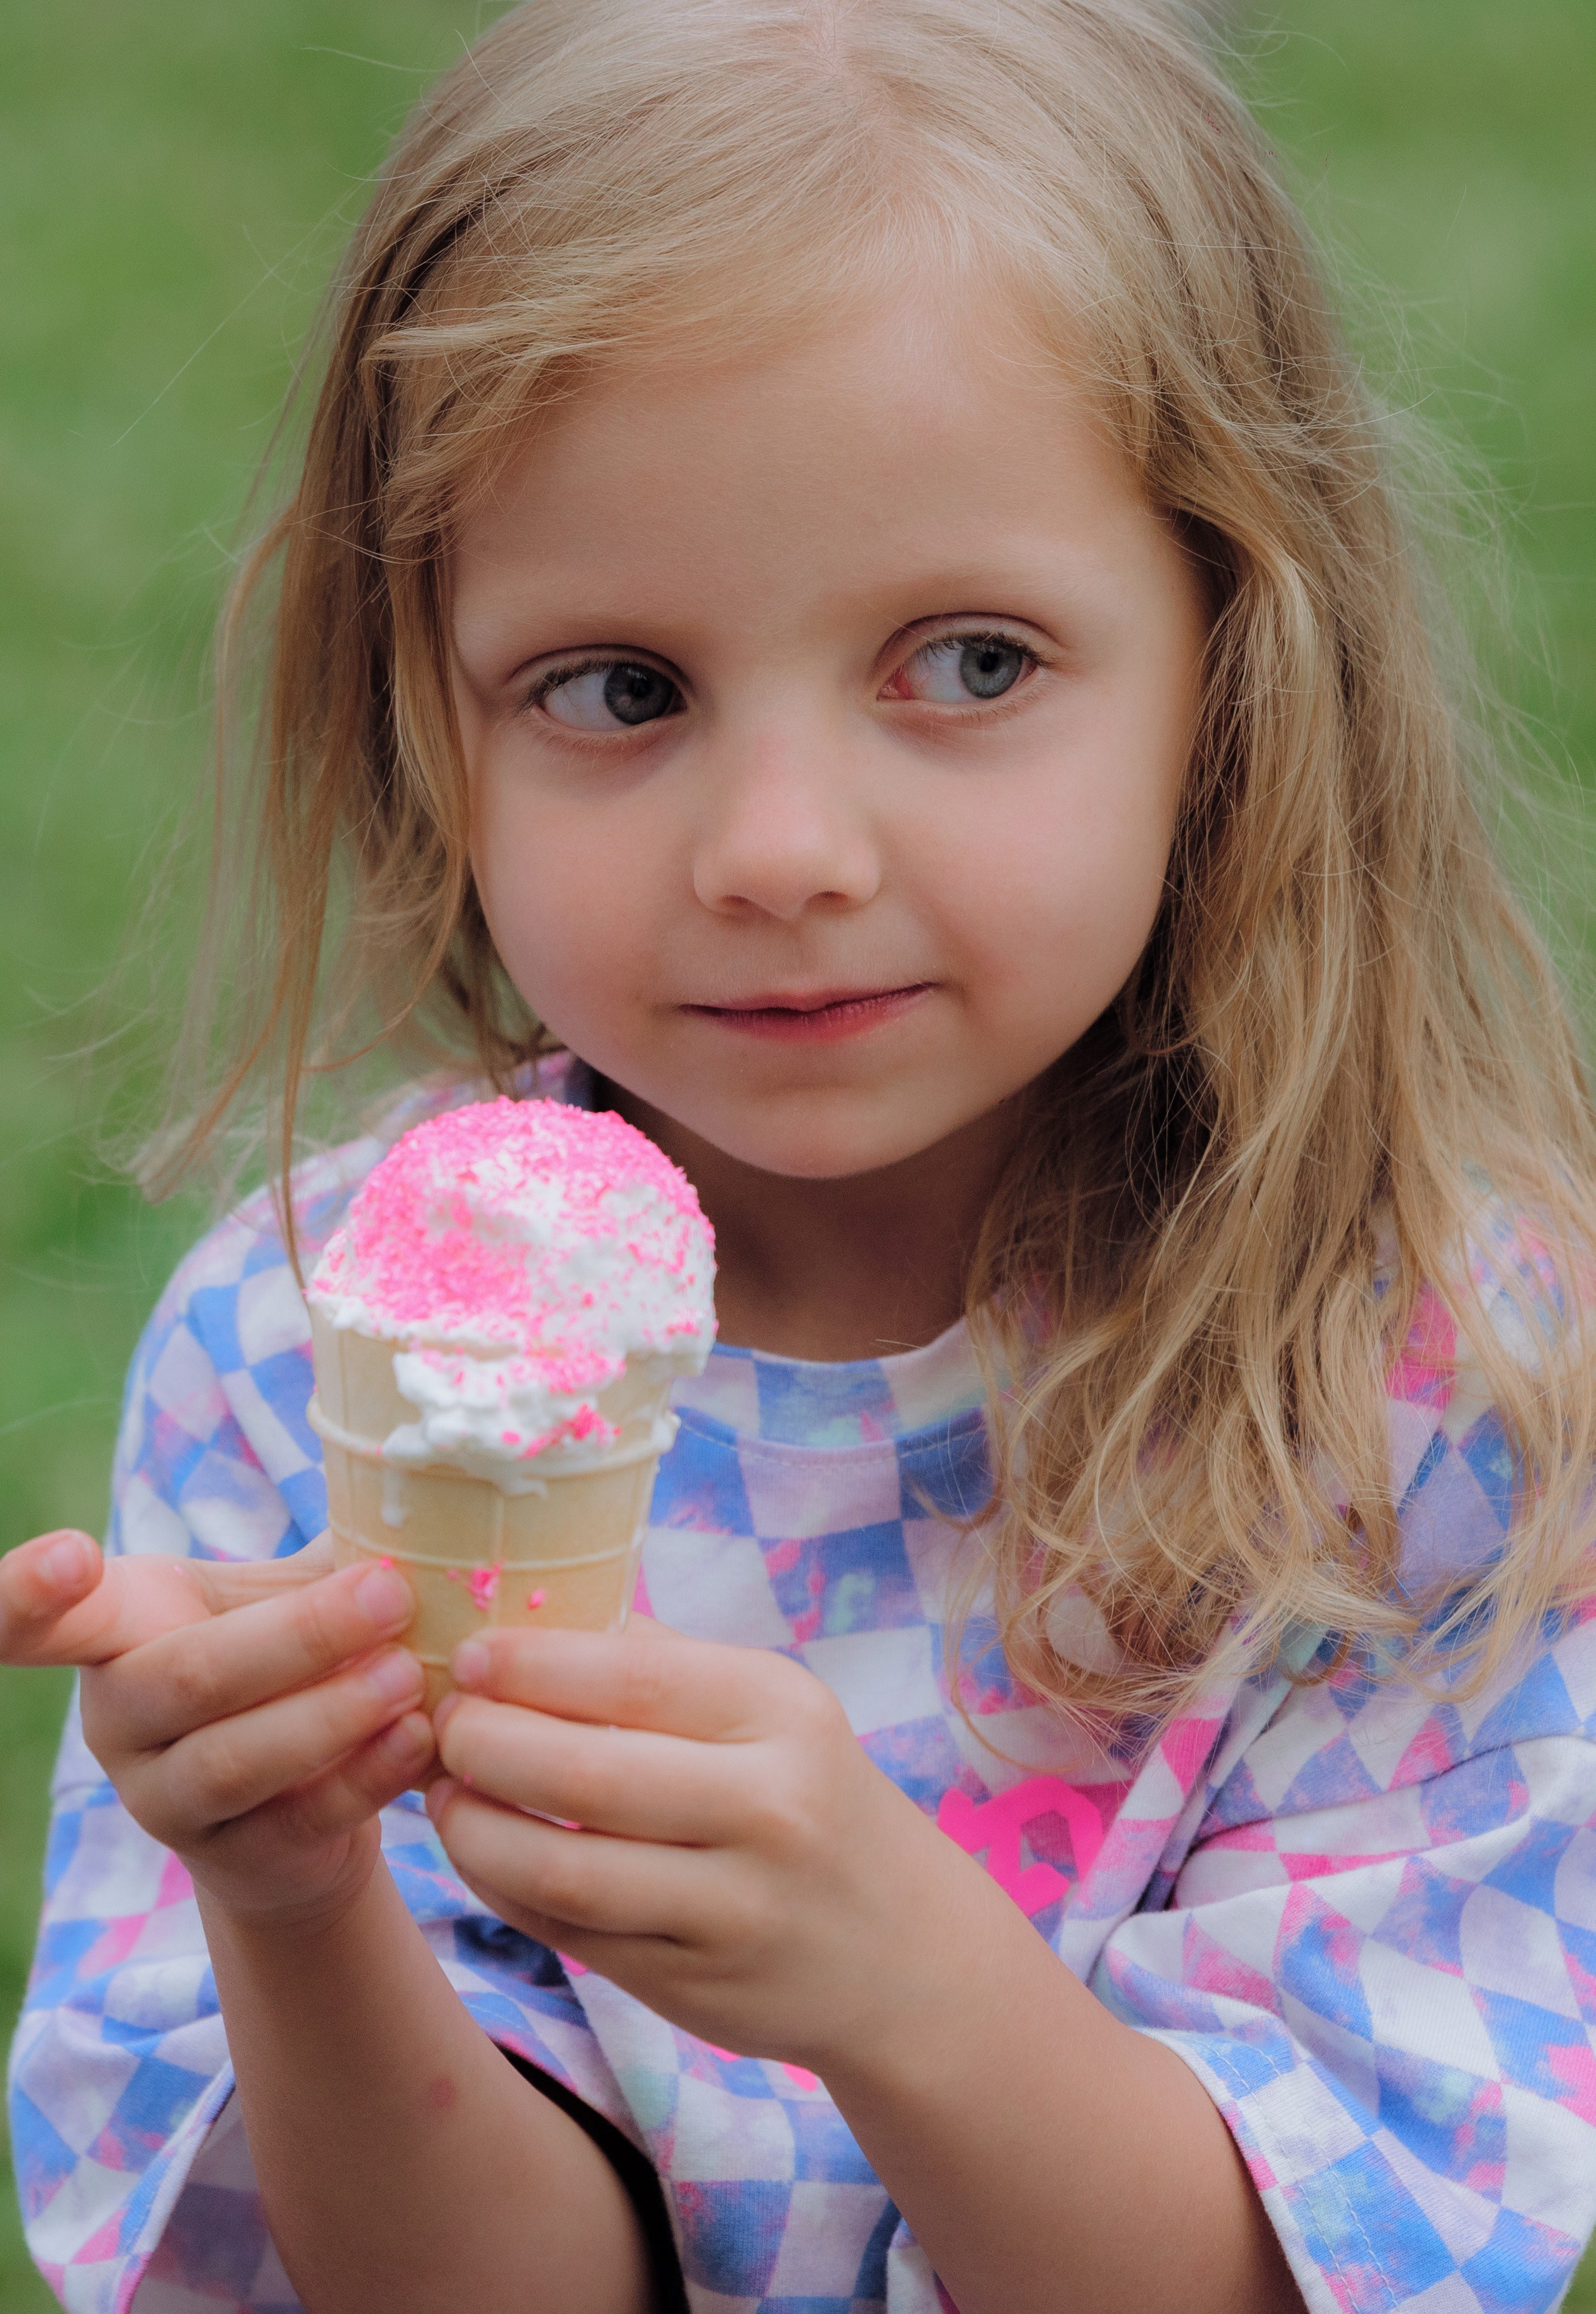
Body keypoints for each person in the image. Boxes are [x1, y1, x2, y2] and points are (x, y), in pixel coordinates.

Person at [6, 2, 1596, 2308]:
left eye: (963, 662)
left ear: (1235, 661)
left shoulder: (1434, 1392)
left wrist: (902, 1986)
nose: (774, 848)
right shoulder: (323, 1359)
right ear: (427, 712)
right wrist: (295, 1903)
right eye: (619, 689)